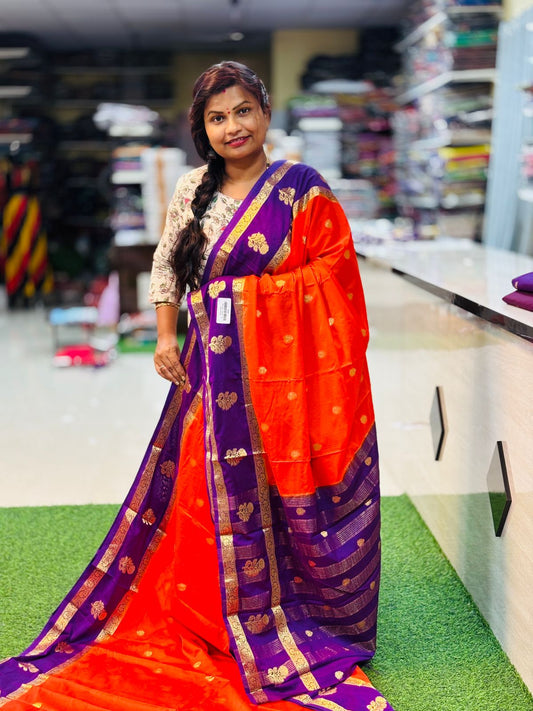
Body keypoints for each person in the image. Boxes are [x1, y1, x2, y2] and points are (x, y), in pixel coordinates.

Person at [0, 62, 393, 711]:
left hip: (286, 381)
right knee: (203, 488)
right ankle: (211, 609)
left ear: (264, 113)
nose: (232, 126)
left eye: (242, 111)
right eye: (217, 117)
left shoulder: (302, 190)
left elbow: (335, 273)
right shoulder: (193, 189)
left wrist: (244, 300)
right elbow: (167, 265)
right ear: (201, 129)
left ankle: (285, 607)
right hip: (214, 370)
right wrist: (163, 335)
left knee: (281, 483)